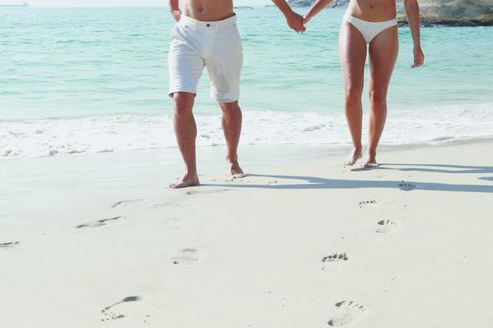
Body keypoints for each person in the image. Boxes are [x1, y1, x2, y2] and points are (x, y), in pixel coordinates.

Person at [167, 0, 306, 188]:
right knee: (180, 100)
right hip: (186, 32)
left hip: (224, 34)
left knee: (229, 104)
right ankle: (190, 172)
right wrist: (174, 10)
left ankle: (232, 158)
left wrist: (288, 14)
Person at [303, 0, 424, 167]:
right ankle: (356, 147)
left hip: (385, 26)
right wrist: (307, 17)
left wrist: (416, 44)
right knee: (352, 91)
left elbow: (410, 4)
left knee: (378, 95)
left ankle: (372, 152)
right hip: (354, 23)